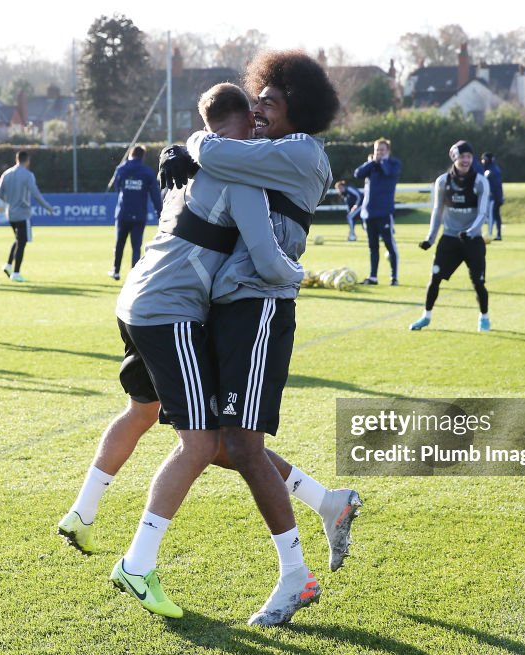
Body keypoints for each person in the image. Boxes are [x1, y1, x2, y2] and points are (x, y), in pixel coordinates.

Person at [177, 49, 360, 626]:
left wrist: (188, 144)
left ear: (297, 110)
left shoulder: (300, 152)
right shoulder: (265, 150)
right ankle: (327, 503)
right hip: (229, 308)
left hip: (260, 308)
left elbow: (214, 149)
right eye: (257, 98)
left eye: (270, 102)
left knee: (243, 445)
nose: (257, 108)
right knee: (216, 445)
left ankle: (294, 577)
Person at [410, 140, 493, 332]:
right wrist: (430, 239)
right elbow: (437, 211)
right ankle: (426, 316)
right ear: (454, 157)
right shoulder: (443, 182)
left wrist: (471, 232)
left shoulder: (480, 181)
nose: (466, 160)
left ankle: (484, 317)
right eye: (462, 156)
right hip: (449, 240)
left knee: (478, 283)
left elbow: (483, 213)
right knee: (435, 278)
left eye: (469, 156)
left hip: (472, 241)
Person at [0, 150, 53, 282]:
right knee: (22, 242)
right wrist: (47, 207)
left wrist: (10, 201)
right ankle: (16, 273)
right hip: (22, 214)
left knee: (18, 240)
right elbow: (36, 193)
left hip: (10, 213)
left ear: (17, 159)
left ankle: (9, 265)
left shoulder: (7, 174)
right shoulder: (28, 175)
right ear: (27, 161)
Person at [109, 145, 162, 280]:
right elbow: (155, 195)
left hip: (123, 212)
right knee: (136, 246)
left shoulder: (121, 169)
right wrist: (160, 213)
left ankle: (116, 270)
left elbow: (117, 187)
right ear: (143, 156)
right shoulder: (147, 172)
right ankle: (134, 274)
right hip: (139, 214)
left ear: (130, 154)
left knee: (119, 243)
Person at [353, 139, 401, 285]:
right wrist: (372, 162)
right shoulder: (372, 165)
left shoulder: (393, 164)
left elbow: (387, 172)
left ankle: (394, 277)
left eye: (382, 150)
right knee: (372, 247)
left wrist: (381, 161)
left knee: (389, 245)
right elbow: (358, 174)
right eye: (376, 150)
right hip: (368, 212)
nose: (379, 152)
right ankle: (373, 277)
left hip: (384, 212)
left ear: (388, 151)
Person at [481, 152, 504, 240]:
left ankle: (490, 233)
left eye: (484, 159)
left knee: (491, 215)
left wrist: (494, 195)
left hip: (493, 198)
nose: (482, 161)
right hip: (496, 196)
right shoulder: (494, 169)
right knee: (496, 215)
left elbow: (495, 185)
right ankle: (498, 234)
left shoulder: (491, 171)